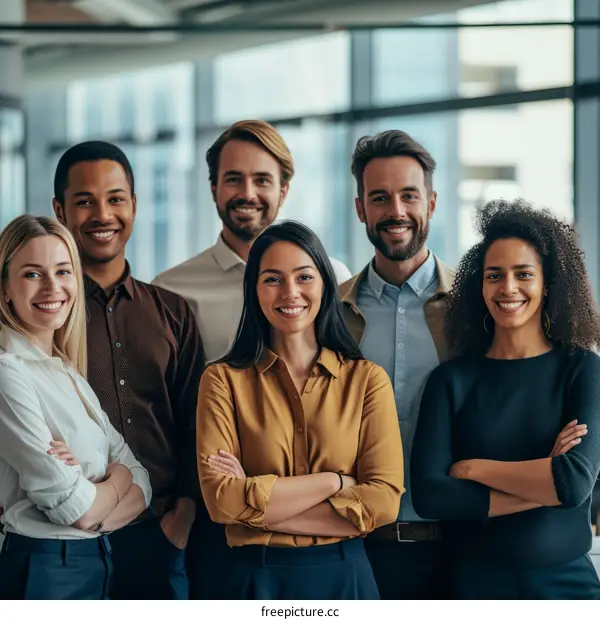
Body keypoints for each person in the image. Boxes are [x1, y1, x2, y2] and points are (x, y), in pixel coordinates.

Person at [196, 221, 403, 600]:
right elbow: (221, 501)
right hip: (253, 580)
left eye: (304, 276)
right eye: (272, 279)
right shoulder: (222, 381)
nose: (290, 292)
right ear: (254, 290)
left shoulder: (368, 381)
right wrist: (337, 483)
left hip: (346, 578)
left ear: (324, 284)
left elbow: (384, 503)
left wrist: (253, 513)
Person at [412, 199, 600, 599]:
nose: (508, 288)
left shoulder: (583, 370)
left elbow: (572, 484)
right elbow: (431, 496)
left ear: (548, 282)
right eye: (494, 275)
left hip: (566, 587)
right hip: (471, 586)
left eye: (523, 274)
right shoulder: (451, 380)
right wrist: (541, 481)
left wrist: (472, 468)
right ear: (480, 286)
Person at [52, 141, 206, 600]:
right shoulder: (42, 313)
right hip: (66, 538)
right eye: (85, 201)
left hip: (159, 537)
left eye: (116, 199)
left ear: (135, 206)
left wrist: (182, 520)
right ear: (60, 210)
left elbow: (197, 423)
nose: (103, 214)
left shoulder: (173, 312)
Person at [0, 215, 151, 600]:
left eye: (63, 271)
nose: (53, 287)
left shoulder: (66, 371)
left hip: (93, 561)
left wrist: (99, 491)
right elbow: (77, 510)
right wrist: (117, 480)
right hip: (44, 568)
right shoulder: (7, 371)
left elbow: (143, 482)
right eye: (33, 274)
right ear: (5, 289)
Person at [339, 130, 454, 599]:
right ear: (361, 208)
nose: (397, 212)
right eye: (380, 198)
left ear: (431, 202)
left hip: (459, 548)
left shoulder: (476, 310)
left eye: (409, 196)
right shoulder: (330, 314)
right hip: (355, 545)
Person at [153, 119, 352, 363]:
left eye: (262, 180)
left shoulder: (334, 278)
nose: (247, 194)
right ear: (214, 188)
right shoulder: (170, 292)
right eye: (234, 179)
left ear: (283, 191)